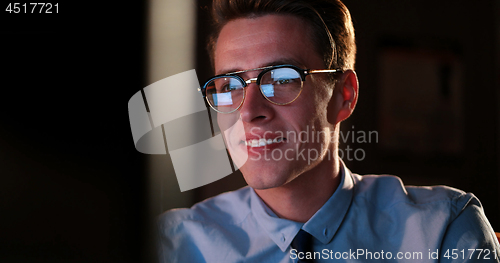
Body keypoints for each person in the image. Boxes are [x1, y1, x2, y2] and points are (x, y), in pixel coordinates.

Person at [157, 0, 499, 262]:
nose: (248, 111)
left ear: (343, 95)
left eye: (282, 79)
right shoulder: (172, 243)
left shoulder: (442, 231)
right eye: (229, 85)